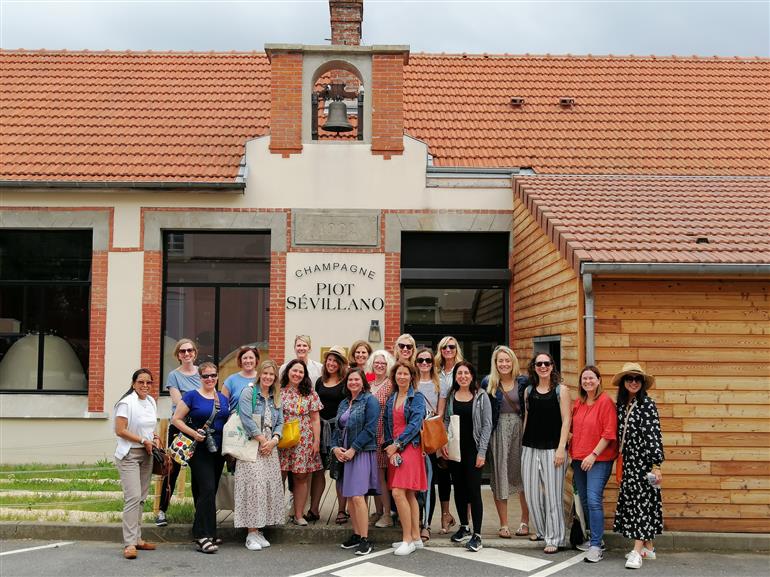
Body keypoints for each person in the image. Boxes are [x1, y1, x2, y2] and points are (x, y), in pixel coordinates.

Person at [171, 362, 229, 553]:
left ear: (217, 377)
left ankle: (208, 531)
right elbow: (176, 420)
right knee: (207, 488)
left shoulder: (222, 398)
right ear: (200, 378)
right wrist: (194, 433)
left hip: (217, 449)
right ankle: (202, 535)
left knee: (205, 492)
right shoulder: (191, 396)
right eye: (206, 376)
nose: (210, 379)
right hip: (198, 449)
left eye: (213, 375)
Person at [612, 362, 664, 570]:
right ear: (623, 383)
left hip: (643, 463)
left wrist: (656, 464)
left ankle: (636, 552)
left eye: (637, 379)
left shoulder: (647, 404)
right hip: (628, 462)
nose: (633, 382)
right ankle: (648, 548)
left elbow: (654, 436)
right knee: (635, 503)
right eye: (629, 379)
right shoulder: (622, 405)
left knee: (642, 504)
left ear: (642, 383)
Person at [521, 352, 572, 554]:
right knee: (532, 495)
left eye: (547, 363)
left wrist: (561, 448)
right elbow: (527, 418)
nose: (543, 367)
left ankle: (555, 537)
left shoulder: (562, 390)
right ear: (534, 367)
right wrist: (522, 446)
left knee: (552, 495)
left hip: (553, 449)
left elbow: (566, 420)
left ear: (552, 366)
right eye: (539, 363)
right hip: (530, 448)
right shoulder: (528, 391)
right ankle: (542, 530)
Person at [441, 361, 492, 553]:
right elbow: (446, 420)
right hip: (455, 449)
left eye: (466, 373)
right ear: (455, 377)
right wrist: (444, 441)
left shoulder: (481, 396)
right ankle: (464, 527)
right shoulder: (452, 397)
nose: (463, 376)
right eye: (459, 373)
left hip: (473, 450)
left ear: (472, 376)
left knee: (473, 491)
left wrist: (482, 452)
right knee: (459, 490)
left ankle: (477, 535)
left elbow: (487, 425)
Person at [235, 359, 285, 551]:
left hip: (270, 448)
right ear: (259, 374)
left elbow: (280, 421)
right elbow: (246, 419)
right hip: (252, 446)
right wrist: (263, 440)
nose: (268, 377)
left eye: (272, 374)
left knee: (266, 487)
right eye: (265, 373)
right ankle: (250, 533)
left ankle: (259, 531)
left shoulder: (276, 396)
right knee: (253, 487)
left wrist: (274, 440)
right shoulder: (249, 393)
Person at [569, 365, 617, 562]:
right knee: (586, 501)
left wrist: (593, 454)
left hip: (599, 459)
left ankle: (596, 546)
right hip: (579, 459)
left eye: (591, 378)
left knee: (594, 499)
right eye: (584, 378)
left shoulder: (605, 402)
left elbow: (608, 432)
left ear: (598, 380)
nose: (587, 381)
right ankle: (594, 538)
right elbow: (572, 428)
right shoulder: (579, 403)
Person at [482, 345, 530, 539]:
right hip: (498, 431)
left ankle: (525, 522)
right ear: (495, 363)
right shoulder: (489, 382)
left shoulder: (524, 382)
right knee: (499, 476)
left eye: (507, 360)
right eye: (500, 361)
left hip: (520, 429)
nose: (504, 364)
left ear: (513, 362)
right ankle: (504, 525)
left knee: (522, 477)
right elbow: (483, 412)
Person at [333, 368, 381, 556]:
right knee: (350, 496)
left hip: (360, 452)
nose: (353, 382)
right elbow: (337, 427)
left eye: (356, 379)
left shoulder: (370, 400)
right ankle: (356, 533)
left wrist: (353, 449)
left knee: (358, 496)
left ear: (363, 382)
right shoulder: (344, 403)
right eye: (350, 380)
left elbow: (370, 429)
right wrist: (335, 448)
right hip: (344, 453)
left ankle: (365, 539)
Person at [114, 368, 160, 559]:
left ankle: (137, 539)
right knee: (132, 498)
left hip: (147, 454)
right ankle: (129, 544)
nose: (145, 386)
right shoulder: (126, 403)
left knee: (141, 498)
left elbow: (150, 428)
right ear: (133, 384)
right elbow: (120, 430)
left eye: (148, 382)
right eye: (141, 382)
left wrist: (155, 438)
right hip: (129, 454)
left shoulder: (150, 402)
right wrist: (143, 440)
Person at [383, 360, 427, 556]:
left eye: (406, 374)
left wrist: (397, 445)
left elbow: (415, 424)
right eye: (399, 374)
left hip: (409, 448)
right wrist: (389, 448)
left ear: (412, 377)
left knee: (398, 493)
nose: (402, 377)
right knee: (409, 495)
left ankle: (407, 539)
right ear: (394, 377)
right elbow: (387, 424)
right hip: (395, 449)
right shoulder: (392, 398)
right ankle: (416, 538)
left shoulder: (416, 397)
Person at [157, 338, 200, 527]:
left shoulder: (203, 373)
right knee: (172, 470)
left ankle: (201, 513)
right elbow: (178, 402)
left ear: (195, 353)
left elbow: (209, 396)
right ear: (178, 355)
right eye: (183, 351)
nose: (187, 354)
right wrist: (198, 402)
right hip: (180, 427)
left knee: (199, 471)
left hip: (200, 428)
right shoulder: (173, 376)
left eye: (190, 350)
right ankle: (161, 511)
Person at [279, 358, 323, 526]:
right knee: (279, 475)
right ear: (288, 372)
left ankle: (299, 514)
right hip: (282, 438)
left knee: (301, 476)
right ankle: (276, 514)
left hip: (303, 439)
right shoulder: (279, 391)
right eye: (294, 370)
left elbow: (315, 419)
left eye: (300, 372)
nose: (297, 374)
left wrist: (316, 441)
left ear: (304, 375)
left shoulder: (310, 393)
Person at [308, 346, 349, 524]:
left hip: (338, 430)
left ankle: (341, 510)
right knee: (318, 470)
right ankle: (314, 509)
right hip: (320, 429)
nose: (331, 363)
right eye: (329, 360)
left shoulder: (346, 382)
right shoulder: (319, 382)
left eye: (335, 361)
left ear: (341, 364)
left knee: (339, 471)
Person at [414, 346, 450, 543]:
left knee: (428, 484)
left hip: (429, 438)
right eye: (421, 360)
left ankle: (426, 525)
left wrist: (439, 442)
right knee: (414, 484)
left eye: (428, 360)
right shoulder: (411, 382)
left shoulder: (440, 383)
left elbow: (440, 414)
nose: (425, 364)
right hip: (412, 438)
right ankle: (414, 521)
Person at [434, 335, 463, 533]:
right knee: (443, 472)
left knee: (460, 475)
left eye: (451, 346)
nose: (448, 350)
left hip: (461, 425)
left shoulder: (463, 369)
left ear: (456, 348)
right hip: (441, 426)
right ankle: (445, 515)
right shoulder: (436, 372)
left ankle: (465, 520)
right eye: (444, 347)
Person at [365, 349, 395, 528]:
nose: (380, 365)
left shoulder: (390, 384)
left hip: (382, 434)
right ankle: (377, 511)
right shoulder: (368, 383)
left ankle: (387, 514)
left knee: (381, 475)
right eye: (377, 362)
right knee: (373, 475)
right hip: (368, 434)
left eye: (383, 363)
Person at [222, 346, 260, 413]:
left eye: (251, 358)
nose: (248, 361)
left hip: (258, 421)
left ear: (256, 360)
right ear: (240, 360)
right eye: (245, 358)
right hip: (236, 421)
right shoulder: (231, 380)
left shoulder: (262, 379)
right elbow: (222, 407)